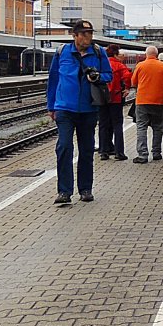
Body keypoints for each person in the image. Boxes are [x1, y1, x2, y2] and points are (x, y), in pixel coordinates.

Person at [46, 19, 113, 203]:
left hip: (88, 108)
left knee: (86, 149)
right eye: (84, 34)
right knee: (64, 147)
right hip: (64, 108)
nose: (88, 37)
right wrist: (51, 106)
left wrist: (98, 77)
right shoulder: (62, 52)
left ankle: (85, 189)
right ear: (74, 35)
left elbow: (109, 75)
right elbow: (53, 80)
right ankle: (64, 191)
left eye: (90, 33)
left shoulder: (98, 53)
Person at [130, 46, 163, 163]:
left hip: (142, 101)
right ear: (156, 55)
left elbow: (133, 82)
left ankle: (143, 155)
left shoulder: (140, 65)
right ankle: (156, 153)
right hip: (159, 101)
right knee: (158, 127)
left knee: (141, 127)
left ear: (146, 54)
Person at [97, 44, 132, 161]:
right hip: (116, 98)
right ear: (116, 54)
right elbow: (127, 76)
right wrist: (127, 88)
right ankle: (119, 152)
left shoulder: (101, 65)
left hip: (102, 98)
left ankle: (103, 151)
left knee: (103, 124)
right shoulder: (119, 65)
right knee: (117, 125)